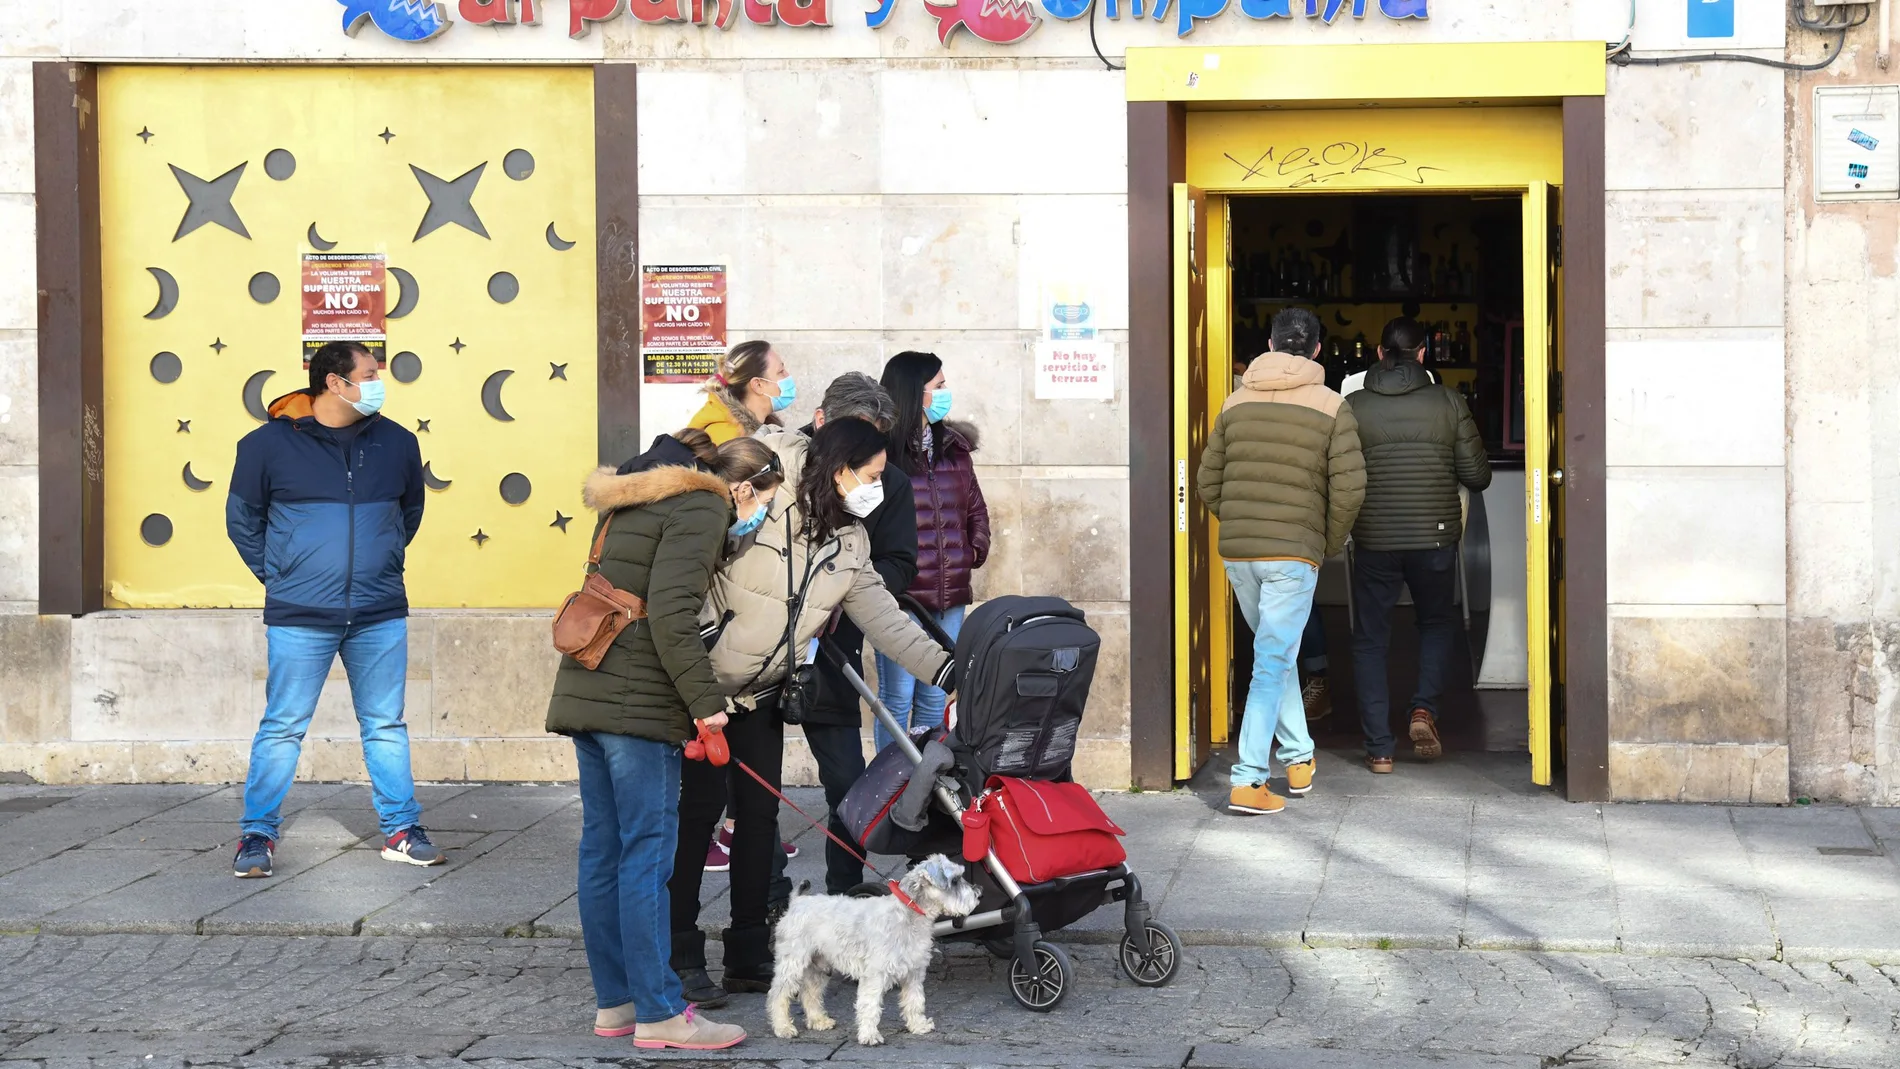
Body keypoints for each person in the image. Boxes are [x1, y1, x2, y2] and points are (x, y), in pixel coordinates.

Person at [669, 417, 958, 999]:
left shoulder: (849, 541)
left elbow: (883, 618)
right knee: (697, 818)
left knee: (757, 821)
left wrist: (950, 672)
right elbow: (687, 578)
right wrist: (697, 674)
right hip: (701, 690)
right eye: (871, 475)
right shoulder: (760, 497)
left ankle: (749, 949)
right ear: (840, 467)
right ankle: (679, 950)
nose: (876, 488)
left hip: (764, 692)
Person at [545, 429, 774, 1050]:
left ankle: (617, 1003)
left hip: (588, 689)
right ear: (742, 487)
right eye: (758, 505)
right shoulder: (702, 503)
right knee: (647, 856)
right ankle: (660, 1011)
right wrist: (707, 705)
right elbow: (672, 611)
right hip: (637, 704)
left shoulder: (631, 497)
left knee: (603, 851)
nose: (751, 518)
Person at [225, 341, 438, 878]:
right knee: (282, 726)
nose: (377, 382)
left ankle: (401, 829)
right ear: (335, 383)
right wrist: (281, 576)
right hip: (299, 614)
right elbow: (243, 522)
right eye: (368, 373)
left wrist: (379, 563)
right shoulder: (264, 446)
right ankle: (257, 835)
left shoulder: (398, 443)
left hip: (379, 611)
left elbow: (407, 515)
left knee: (386, 724)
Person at [1196, 308, 1364, 817]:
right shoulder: (1334, 407)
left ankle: (1297, 758)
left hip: (1241, 552)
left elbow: (1207, 484)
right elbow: (1351, 490)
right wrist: (1325, 542)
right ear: (1317, 350)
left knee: (1278, 654)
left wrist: (1247, 522)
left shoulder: (1234, 401)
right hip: (1293, 553)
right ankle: (1248, 779)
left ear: (1269, 343)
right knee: (1272, 661)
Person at [765, 373, 916, 898]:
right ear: (827, 425)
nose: (871, 466)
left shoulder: (887, 484)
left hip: (833, 656)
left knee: (848, 785)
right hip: (759, 660)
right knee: (752, 794)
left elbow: (899, 562)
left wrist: (847, 592)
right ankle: (763, 900)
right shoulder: (774, 473)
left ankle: (844, 893)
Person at [1346, 316, 1491, 774]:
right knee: (1434, 624)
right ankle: (1423, 710)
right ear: (1424, 353)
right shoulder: (1449, 402)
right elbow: (1477, 476)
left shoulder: (1352, 406)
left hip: (1373, 538)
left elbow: (1340, 473)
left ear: (1378, 351)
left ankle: (1379, 749)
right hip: (1433, 538)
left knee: (1370, 639)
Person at [690, 339, 801, 866]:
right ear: (757, 383)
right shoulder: (724, 436)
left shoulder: (750, 431)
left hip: (750, 595)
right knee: (723, 731)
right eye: (781, 371)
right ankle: (723, 836)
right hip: (726, 601)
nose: (787, 378)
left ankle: (742, 831)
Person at [874, 352, 989, 752]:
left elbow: (975, 506)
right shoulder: (880, 452)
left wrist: (975, 549)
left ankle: (923, 789)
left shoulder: (954, 448)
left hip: (950, 593)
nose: (946, 393)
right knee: (897, 699)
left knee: (937, 695)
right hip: (902, 598)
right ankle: (888, 790)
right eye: (938, 386)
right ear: (913, 394)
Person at [690, 340, 795, 444]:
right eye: (781, 371)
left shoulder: (763, 426)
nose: (788, 375)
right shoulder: (729, 440)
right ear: (758, 385)